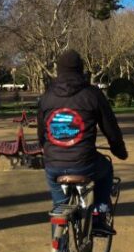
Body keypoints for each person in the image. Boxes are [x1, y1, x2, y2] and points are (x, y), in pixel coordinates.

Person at [37, 49, 128, 236]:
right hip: (84, 163)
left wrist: (44, 151)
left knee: (59, 206)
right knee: (106, 169)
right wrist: (119, 150)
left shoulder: (47, 96)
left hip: (53, 165)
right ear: (81, 70)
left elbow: (42, 132)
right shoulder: (92, 94)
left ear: (59, 71)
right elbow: (110, 128)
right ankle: (99, 215)